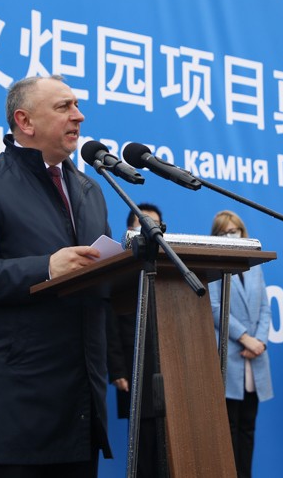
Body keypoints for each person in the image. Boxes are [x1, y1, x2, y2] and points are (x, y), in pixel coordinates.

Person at [0, 75, 112, 478]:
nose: (79, 115)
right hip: (17, 407)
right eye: (64, 107)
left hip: (81, 404)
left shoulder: (90, 189)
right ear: (25, 121)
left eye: (77, 105)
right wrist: (47, 267)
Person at [207, 210, 273, 478]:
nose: (230, 236)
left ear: (243, 233)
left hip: (256, 357)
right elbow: (214, 306)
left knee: (248, 427)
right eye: (223, 232)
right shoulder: (213, 263)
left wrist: (260, 342)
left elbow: (265, 308)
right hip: (230, 353)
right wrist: (245, 338)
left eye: (234, 231)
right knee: (229, 427)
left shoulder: (255, 266)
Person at [105, 202, 166, 477]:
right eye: (143, 224)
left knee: (167, 448)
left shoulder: (170, 264)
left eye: (156, 225)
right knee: (143, 446)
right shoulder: (120, 265)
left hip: (165, 369)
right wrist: (117, 369)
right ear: (130, 229)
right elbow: (110, 324)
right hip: (134, 367)